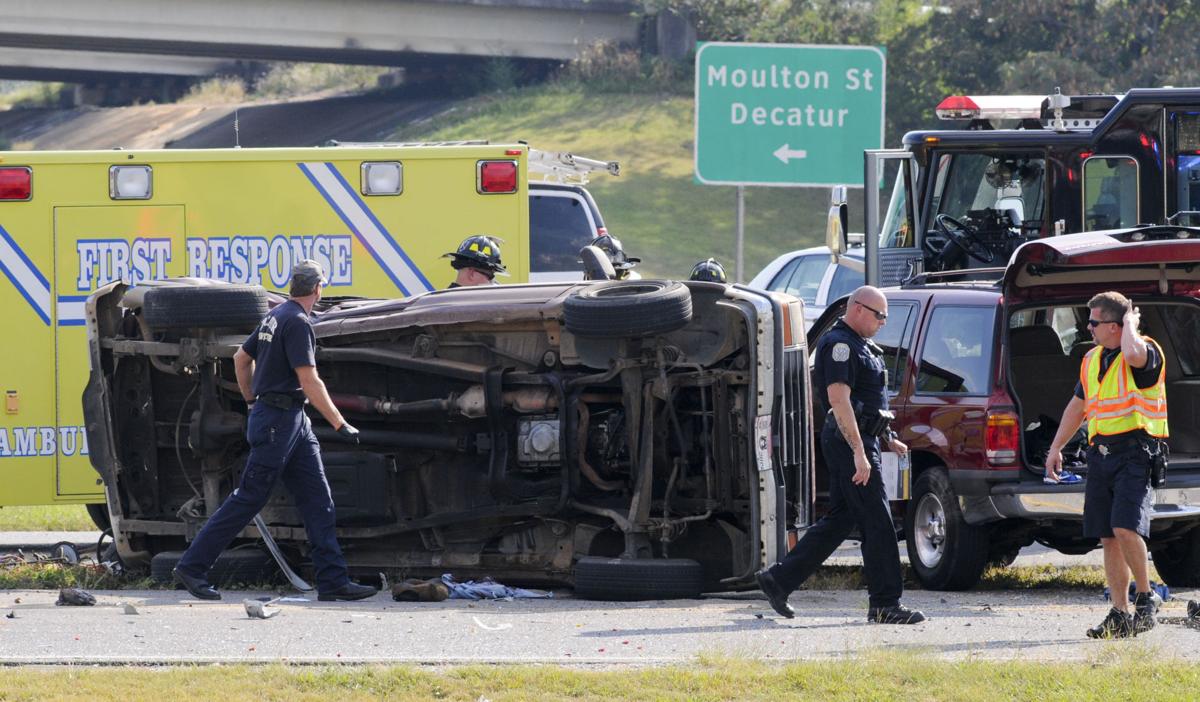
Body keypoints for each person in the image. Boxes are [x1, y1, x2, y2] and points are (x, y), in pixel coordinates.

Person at [173, 259, 378, 603]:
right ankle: (192, 567)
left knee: (318, 501)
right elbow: (309, 379)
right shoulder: (298, 322)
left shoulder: (275, 315)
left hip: (288, 420)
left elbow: (240, 358)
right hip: (279, 422)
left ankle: (332, 581)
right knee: (248, 498)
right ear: (317, 289)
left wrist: (253, 401)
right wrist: (340, 422)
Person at [756, 286, 925, 625]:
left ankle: (779, 579)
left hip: (861, 440)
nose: (883, 322)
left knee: (840, 520)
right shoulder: (839, 346)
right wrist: (860, 454)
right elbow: (839, 402)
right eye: (880, 316)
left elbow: (867, 401)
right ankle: (885, 604)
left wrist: (888, 438)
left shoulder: (861, 346)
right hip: (850, 444)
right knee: (877, 522)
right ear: (859, 309)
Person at [1045, 291, 1166, 638]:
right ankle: (1119, 612)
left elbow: (1132, 353)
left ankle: (1146, 598)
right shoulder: (1092, 358)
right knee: (1108, 536)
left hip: (1136, 452)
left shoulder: (1145, 351)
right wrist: (1056, 447)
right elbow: (1077, 405)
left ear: (1115, 326)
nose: (1089, 327)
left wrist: (1131, 322)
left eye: (1095, 322)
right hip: (1101, 453)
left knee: (1126, 527)